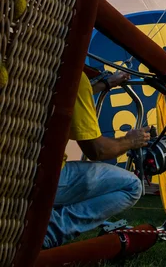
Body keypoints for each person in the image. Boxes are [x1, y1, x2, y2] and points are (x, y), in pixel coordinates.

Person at [43, 70, 151, 249]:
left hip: (12, 172)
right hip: (44, 178)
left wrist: (105, 84)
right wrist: (130, 141)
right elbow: (97, 150)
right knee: (132, 186)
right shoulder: (72, 76)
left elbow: (65, 94)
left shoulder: (27, 69)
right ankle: (50, 231)